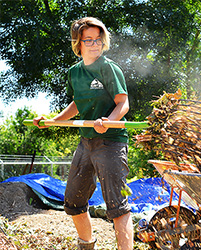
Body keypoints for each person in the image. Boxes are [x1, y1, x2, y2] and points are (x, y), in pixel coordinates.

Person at [34, 17, 133, 250]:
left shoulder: (109, 68)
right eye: (88, 40)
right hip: (86, 142)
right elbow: (77, 104)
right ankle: (87, 246)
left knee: (117, 206)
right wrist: (52, 121)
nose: (94, 44)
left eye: (98, 39)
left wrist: (109, 121)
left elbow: (123, 103)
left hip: (110, 142)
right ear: (78, 44)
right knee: (74, 201)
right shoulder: (74, 72)